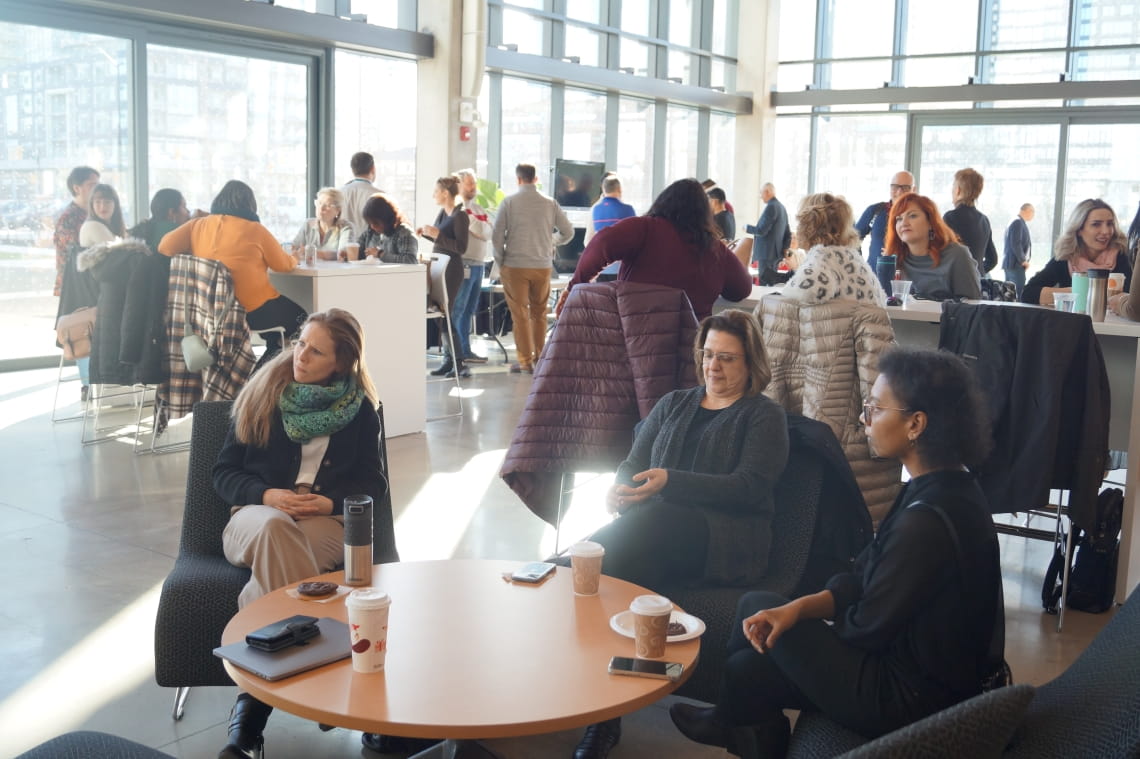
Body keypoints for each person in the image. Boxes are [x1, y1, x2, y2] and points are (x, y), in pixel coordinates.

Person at [669, 346, 1003, 759]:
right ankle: (736, 725)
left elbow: (864, 628)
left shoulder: (927, 522)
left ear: (916, 423)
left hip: (911, 698)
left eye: (874, 409)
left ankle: (732, 722)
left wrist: (803, 633)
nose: (863, 420)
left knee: (755, 635)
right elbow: (863, 576)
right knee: (752, 643)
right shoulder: (944, 486)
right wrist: (797, 610)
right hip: (907, 668)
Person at [572, 309, 790, 759]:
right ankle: (599, 711)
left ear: (751, 363)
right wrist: (620, 488)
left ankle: (567, 571)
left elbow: (751, 488)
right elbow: (634, 464)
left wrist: (672, 481)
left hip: (727, 540)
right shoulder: (674, 403)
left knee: (617, 551)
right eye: (709, 355)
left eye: (728, 358)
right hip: (656, 535)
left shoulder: (763, 416)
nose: (714, 366)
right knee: (622, 577)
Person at [211, 308, 397, 759]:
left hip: (323, 524)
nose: (300, 355)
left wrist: (330, 501)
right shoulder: (265, 391)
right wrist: (267, 494)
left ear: (341, 362)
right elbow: (223, 472)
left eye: (315, 351)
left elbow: (373, 485)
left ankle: (249, 717)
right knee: (276, 530)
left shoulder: (360, 410)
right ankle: (328, 682)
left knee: (280, 563)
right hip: (255, 518)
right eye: (300, 344)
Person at [559, 178, 753, 321]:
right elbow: (741, 289)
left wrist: (575, 285)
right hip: (690, 352)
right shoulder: (713, 248)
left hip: (635, 339)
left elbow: (601, 244)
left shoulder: (644, 228)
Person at [158, 180, 306, 359]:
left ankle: (266, 365)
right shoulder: (255, 230)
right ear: (250, 205)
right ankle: (264, 373)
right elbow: (283, 265)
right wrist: (296, 257)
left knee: (274, 331)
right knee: (301, 318)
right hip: (251, 311)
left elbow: (165, 247)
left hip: (210, 310)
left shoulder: (198, 225)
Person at [491, 162, 574, 374]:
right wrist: (551, 241)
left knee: (520, 315)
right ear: (535, 179)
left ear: (518, 179)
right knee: (539, 313)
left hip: (515, 265)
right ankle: (541, 358)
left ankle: (525, 362)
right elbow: (568, 232)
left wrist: (501, 263)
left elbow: (497, 236)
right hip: (542, 266)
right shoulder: (550, 203)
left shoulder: (509, 203)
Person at [783, 192, 886, 306]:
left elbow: (798, 297)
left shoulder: (822, 261)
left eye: (800, 221)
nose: (797, 227)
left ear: (809, 225)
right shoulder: (851, 260)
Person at [1026, 198, 1131, 306]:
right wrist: (1079, 292)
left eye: (1110, 224)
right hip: (1075, 322)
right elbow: (1028, 293)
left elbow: (1133, 300)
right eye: (1096, 224)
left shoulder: (1123, 257)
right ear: (1079, 229)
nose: (1106, 231)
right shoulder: (1066, 258)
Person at [417, 175, 470, 379]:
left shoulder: (460, 216)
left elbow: (460, 247)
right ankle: (449, 360)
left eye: (436, 192)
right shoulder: (443, 213)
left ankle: (457, 361)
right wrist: (427, 234)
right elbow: (440, 239)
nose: (433, 195)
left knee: (445, 313)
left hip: (451, 269)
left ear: (445, 193)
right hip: (439, 266)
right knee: (440, 314)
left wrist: (438, 235)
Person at [884, 193, 981, 300]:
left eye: (912, 216)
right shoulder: (892, 260)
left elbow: (973, 305)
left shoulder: (957, 255)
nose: (904, 223)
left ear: (931, 222)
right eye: (899, 219)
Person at [453, 169, 493, 365]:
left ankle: (465, 350)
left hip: (479, 265)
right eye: (469, 183)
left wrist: (480, 226)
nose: (473, 187)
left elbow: (488, 232)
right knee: (459, 309)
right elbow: (481, 229)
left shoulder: (478, 209)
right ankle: (458, 352)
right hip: (464, 264)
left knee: (470, 310)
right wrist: (480, 226)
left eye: (474, 183)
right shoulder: (458, 208)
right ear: (458, 185)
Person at [54, 165, 100, 297]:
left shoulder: (94, 213)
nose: (97, 189)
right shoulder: (69, 219)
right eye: (92, 185)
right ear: (76, 188)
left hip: (92, 280)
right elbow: (74, 253)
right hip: (75, 284)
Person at [942, 168, 997, 277]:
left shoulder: (950, 217)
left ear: (958, 190)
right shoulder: (984, 220)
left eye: (953, 186)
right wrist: (977, 272)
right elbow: (993, 260)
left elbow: (941, 255)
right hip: (977, 284)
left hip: (955, 283)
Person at [855, 170, 915, 270]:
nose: (899, 192)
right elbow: (851, 239)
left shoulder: (921, 216)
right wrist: (860, 265)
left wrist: (901, 253)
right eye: (895, 187)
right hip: (874, 279)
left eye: (905, 188)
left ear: (914, 189)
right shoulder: (875, 211)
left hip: (907, 279)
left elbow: (927, 249)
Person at [587, 173, 635, 281]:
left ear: (603, 189)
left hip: (601, 266)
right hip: (621, 267)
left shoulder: (595, 209)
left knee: (603, 297)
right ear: (619, 189)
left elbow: (590, 240)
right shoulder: (627, 209)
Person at [291, 187, 355, 261]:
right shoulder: (308, 224)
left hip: (333, 271)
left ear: (338, 210)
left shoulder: (345, 227)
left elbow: (343, 253)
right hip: (309, 271)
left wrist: (313, 253)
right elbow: (294, 247)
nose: (321, 208)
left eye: (327, 205)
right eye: (319, 203)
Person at [355, 192, 419, 264]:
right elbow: (357, 253)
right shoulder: (370, 233)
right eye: (370, 223)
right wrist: (346, 255)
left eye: (376, 223)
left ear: (387, 219)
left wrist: (380, 254)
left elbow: (410, 261)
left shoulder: (404, 233)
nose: (372, 226)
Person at [127, 188, 196, 253]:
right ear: (171, 212)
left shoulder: (141, 228)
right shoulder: (177, 233)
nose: (188, 211)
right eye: (184, 206)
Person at [748, 182, 790, 285]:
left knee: (764, 283)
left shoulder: (771, 207)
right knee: (772, 284)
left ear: (767, 192)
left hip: (767, 253)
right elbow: (787, 233)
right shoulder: (782, 207)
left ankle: (764, 301)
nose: (760, 197)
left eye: (761, 193)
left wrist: (747, 228)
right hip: (775, 254)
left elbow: (761, 230)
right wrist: (784, 250)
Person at [341, 151, 381, 234]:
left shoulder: (339, 192)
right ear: (373, 168)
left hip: (343, 245)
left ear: (352, 170)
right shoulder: (379, 196)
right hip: (369, 246)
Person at [1002, 203, 1034, 299]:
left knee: (1009, 296)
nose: (1033, 215)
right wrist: (1023, 260)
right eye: (1032, 212)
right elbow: (1016, 243)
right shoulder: (1017, 222)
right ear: (1027, 211)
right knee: (1017, 295)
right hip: (1015, 265)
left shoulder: (1015, 221)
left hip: (1011, 265)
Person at [79, 183, 126, 248]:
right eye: (97, 202)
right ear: (92, 205)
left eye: (107, 202)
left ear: (115, 205)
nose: (102, 206)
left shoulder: (110, 225)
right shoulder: (93, 225)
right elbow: (119, 252)